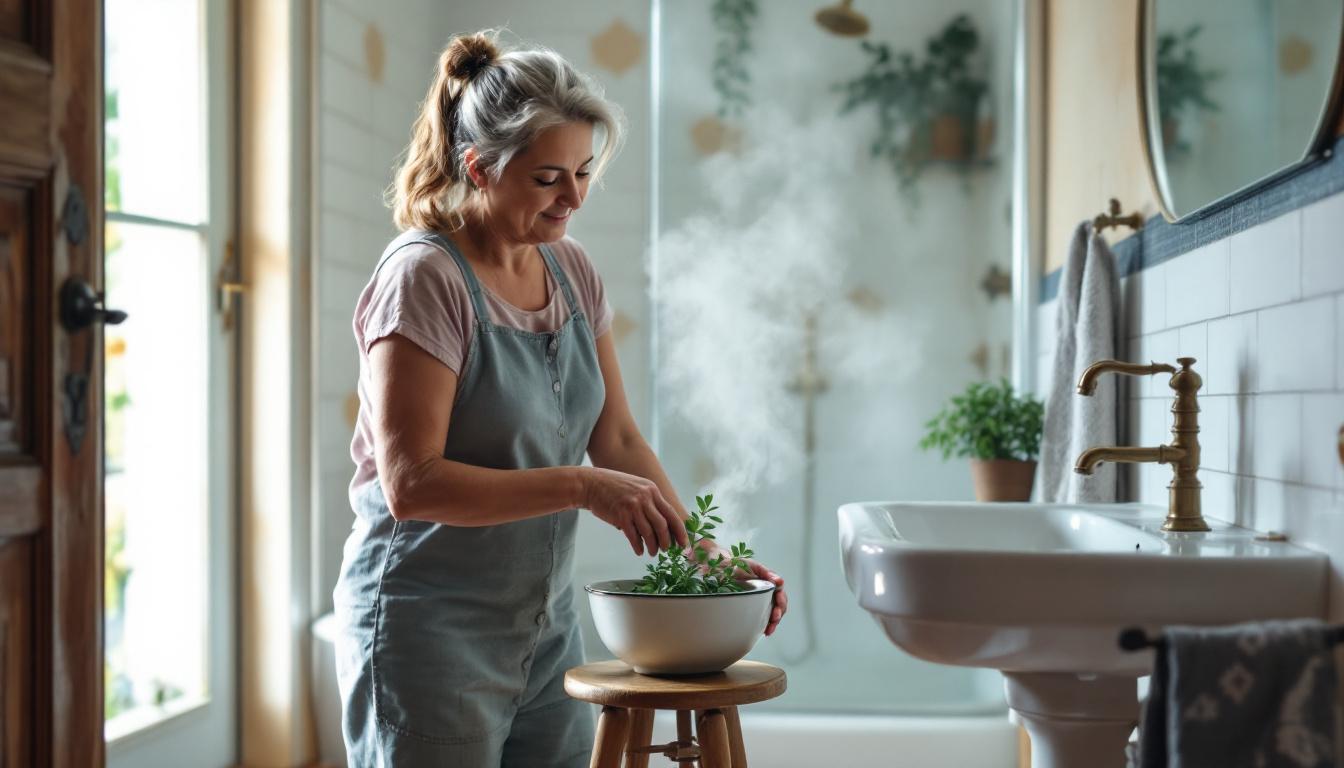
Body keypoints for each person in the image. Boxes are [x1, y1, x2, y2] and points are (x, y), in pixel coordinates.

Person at [332, 30, 788, 766]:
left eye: (581, 171)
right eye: (548, 177)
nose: (573, 197)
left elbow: (619, 441)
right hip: (426, 629)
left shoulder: (572, 270)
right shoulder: (425, 277)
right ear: (479, 168)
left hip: (544, 629)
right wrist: (581, 487)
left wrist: (701, 557)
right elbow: (412, 485)